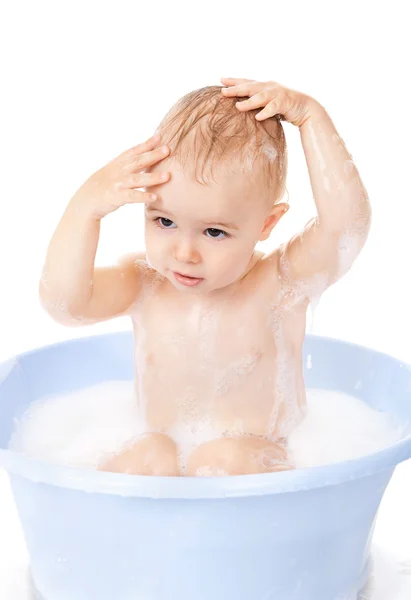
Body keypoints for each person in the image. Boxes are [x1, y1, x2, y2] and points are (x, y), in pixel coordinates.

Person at [39, 77, 371, 477]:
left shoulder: (279, 284)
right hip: (168, 468)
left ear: (266, 223)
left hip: (259, 467)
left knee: (221, 459)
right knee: (150, 453)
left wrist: (310, 116)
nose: (184, 253)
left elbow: (344, 228)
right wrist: (85, 208)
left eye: (214, 232)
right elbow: (65, 304)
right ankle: (114, 530)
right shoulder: (144, 283)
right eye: (163, 221)